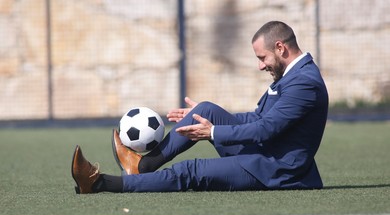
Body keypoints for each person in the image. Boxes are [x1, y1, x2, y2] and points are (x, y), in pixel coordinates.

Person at [71, 20, 328, 194]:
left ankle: (97, 183)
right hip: (265, 150)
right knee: (203, 110)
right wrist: (206, 122)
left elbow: (265, 129)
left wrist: (213, 133)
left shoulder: (304, 83)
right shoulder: (294, 75)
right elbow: (259, 117)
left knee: (191, 171)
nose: (261, 65)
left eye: (262, 58)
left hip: (275, 169)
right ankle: (143, 165)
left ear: (280, 47)